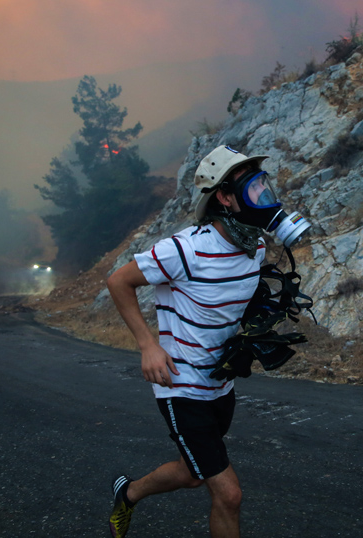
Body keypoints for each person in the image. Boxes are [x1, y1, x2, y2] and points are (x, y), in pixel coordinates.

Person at [106, 145, 277, 538]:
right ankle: (128, 494)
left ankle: (128, 493)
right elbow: (119, 281)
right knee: (228, 493)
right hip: (180, 386)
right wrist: (149, 345)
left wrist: (259, 323)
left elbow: (228, 304)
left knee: (193, 472)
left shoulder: (256, 246)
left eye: (262, 183)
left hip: (221, 383)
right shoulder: (186, 248)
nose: (261, 193)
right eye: (251, 187)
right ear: (224, 196)